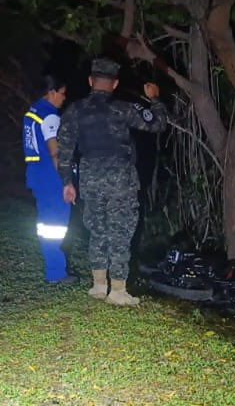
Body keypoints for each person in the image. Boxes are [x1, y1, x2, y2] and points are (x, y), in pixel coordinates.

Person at [56, 58, 167, 306]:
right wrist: (155, 99)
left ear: (90, 81)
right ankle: (117, 290)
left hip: (90, 176)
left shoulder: (75, 110)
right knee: (120, 229)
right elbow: (157, 123)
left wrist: (67, 182)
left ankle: (98, 286)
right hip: (120, 178)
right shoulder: (123, 109)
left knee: (97, 229)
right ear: (114, 84)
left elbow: (65, 149)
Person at [23, 75, 75, 284]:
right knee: (56, 226)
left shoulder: (31, 112)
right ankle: (56, 272)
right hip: (51, 177)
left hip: (36, 174)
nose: (64, 98)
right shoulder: (49, 116)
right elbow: (55, 152)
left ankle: (52, 268)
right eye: (62, 93)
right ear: (52, 92)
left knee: (46, 225)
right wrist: (66, 181)